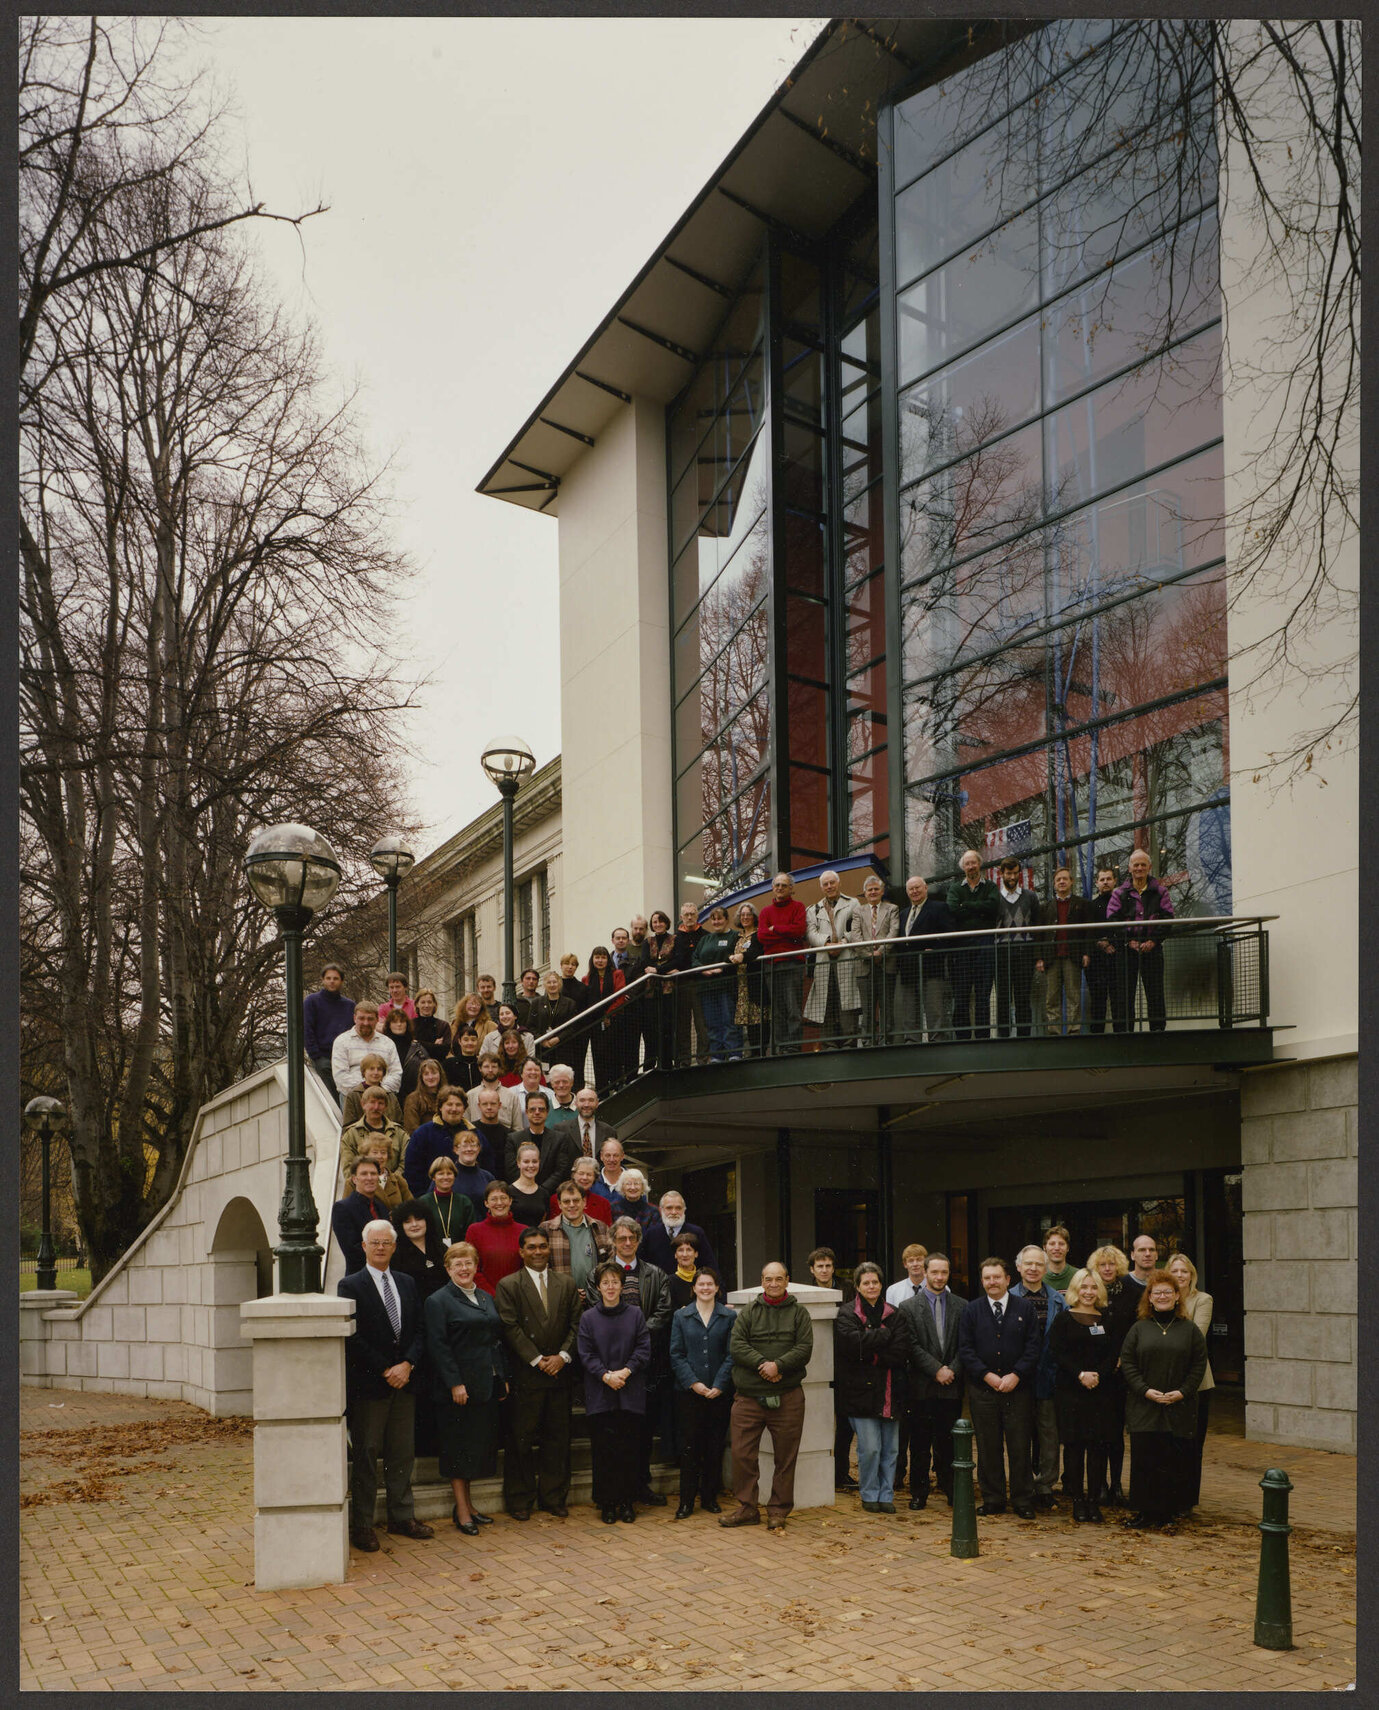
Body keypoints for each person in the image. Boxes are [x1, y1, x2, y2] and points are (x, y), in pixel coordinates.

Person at [338, 1219, 433, 1551]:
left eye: (386, 1243)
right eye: (374, 1242)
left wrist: (407, 1364)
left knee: (402, 1452)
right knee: (366, 1454)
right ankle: (362, 1523)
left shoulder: (407, 1283)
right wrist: (385, 1369)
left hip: (405, 1382)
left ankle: (401, 1516)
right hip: (371, 1386)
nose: (380, 1247)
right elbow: (355, 1337)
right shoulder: (350, 1285)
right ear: (364, 1247)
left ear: (394, 1247)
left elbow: (420, 1329)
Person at [494, 1225, 581, 1520]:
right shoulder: (509, 1285)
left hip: (560, 1375)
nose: (538, 1252)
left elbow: (577, 1325)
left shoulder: (566, 1284)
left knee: (558, 1439)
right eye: (531, 1247)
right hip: (526, 1376)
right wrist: (537, 1359)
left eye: (543, 1246)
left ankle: (553, 1497)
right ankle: (520, 1500)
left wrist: (563, 1356)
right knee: (521, 1439)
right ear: (521, 1252)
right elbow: (510, 1327)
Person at [586, 1216, 672, 1506]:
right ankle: (614, 1496)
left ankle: (639, 1487)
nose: (626, 1243)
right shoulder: (597, 1273)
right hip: (607, 1366)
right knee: (611, 1439)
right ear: (613, 1240)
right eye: (621, 1238)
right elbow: (594, 1309)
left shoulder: (655, 1274)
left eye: (631, 1238)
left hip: (641, 1365)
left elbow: (663, 1309)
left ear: (638, 1241)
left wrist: (636, 1333)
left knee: (640, 1433)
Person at [722, 1262, 814, 1531]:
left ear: (787, 1280)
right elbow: (737, 1346)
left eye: (779, 1279)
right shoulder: (748, 1312)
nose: (773, 1284)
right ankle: (747, 1508)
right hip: (748, 1397)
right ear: (761, 1281)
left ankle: (778, 1509)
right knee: (742, 1454)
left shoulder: (799, 1314)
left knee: (785, 1457)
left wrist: (779, 1367)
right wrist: (764, 1364)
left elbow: (804, 1348)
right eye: (768, 1279)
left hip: (787, 1396)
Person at [425, 1241, 507, 1534]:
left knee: (473, 1447)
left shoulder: (485, 1297)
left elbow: (494, 1340)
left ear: (476, 1266)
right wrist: (455, 1383)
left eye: (469, 1263)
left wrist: (502, 1376)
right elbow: (438, 1347)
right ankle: (461, 1511)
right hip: (457, 1390)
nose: (464, 1268)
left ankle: (469, 1505)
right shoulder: (438, 1301)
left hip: (484, 1385)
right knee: (457, 1448)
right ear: (448, 1269)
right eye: (457, 1264)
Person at [1119, 1269, 1208, 1528]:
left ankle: (1167, 1514)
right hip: (1144, 1405)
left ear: (1177, 1296)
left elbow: (1198, 1365)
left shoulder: (1190, 1330)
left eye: (1167, 1292)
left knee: (1171, 1461)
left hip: (1178, 1406)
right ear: (1149, 1297)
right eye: (1156, 1292)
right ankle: (1145, 1513)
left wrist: (1182, 1392)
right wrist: (1144, 1390)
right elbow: (1128, 1363)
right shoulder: (1138, 1329)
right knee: (1145, 1459)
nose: (1162, 1296)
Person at [958, 1255, 1041, 1518]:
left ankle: (1023, 1500)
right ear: (982, 1282)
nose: (992, 1282)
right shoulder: (971, 1310)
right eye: (987, 1278)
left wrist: (1016, 1375)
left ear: (1008, 1279)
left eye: (997, 1277)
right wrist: (987, 1376)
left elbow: (1033, 1347)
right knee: (987, 1447)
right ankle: (993, 1499)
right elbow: (966, 1350)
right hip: (983, 1391)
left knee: (1019, 1447)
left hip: (1018, 1390)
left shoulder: (1025, 1309)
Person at [578, 1260, 653, 1524]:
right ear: (598, 1287)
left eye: (615, 1282)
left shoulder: (635, 1314)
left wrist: (625, 1372)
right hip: (601, 1393)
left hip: (629, 1391)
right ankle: (607, 1503)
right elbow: (585, 1354)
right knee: (604, 1451)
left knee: (629, 1450)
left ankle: (626, 1502)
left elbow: (643, 1348)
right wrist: (606, 1375)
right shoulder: (588, 1318)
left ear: (622, 1286)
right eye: (605, 1282)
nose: (610, 1287)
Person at [834, 1260, 908, 1514]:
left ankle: (886, 1495)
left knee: (891, 1449)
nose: (871, 1286)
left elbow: (899, 1352)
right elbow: (851, 1347)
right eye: (866, 1282)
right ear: (857, 1286)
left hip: (891, 1391)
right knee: (870, 1448)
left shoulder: (895, 1313)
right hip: (860, 1393)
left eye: (875, 1282)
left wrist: (870, 1349)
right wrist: (883, 1337)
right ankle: (869, 1493)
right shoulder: (846, 1314)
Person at [1048, 1266, 1118, 1523]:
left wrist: (1097, 1375)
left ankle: (1093, 1501)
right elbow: (1057, 1352)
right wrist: (1080, 1374)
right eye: (1083, 1287)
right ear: (1075, 1290)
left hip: (1101, 1392)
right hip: (1071, 1392)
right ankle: (1077, 1500)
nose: (1088, 1292)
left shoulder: (1107, 1318)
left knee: (1098, 1447)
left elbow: (1113, 1354)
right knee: (1075, 1447)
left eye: (1093, 1287)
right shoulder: (1064, 1319)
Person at [897, 1251, 965, 1508]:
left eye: (944, 1272)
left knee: (948, 1443)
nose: (939, 1277)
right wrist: (936, 1369)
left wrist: (952, 1370)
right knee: (920, 1443)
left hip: (951, 1386)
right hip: (921, 1386)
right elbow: (911, 1346)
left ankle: (951, 1490)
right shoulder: (908, 1308)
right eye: (934, 1272)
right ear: (924, 1273)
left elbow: (965, 1345)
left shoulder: (962, 1305)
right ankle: (919, 1492)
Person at [669, 1266, 736, 1519]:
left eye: (710, 1284)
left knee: (714, 1446)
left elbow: (732, 1355)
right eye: (701, 1284)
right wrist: (694, 1383)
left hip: (719, 1394)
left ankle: (709, 1497)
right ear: (694, 1288)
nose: (706, 1288)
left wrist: (719, 1385)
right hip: (689, 1394)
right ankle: (686, 1501)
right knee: (690, 1448)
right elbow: (676, 1355)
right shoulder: (681, 1316)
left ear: (717, 1288)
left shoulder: (729, 1317)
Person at [1009, 1244, 1068, 1509]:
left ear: (1046, 1269)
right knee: (1018, 1435)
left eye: (1038, 1264)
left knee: (1048, 1436)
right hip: (1017, 1379)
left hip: (1048, 1377)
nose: (1033, 1269)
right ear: (1018, 1267)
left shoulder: (1058, 1300)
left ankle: (1045, 1487)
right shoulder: (1007, 1298)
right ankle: (1022, 1485)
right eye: (1028, 1264)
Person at [1089, 1244, 1137, 1505]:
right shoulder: (1091, 1293)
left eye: (1111, 1264)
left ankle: (1117, 1483)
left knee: (1116, 1433)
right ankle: (1100, 1484)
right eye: (1102, 1265)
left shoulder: (1130, 1293)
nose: (1107, 1269)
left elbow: (1134, 1330)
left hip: (1120, 1372)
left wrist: (1122, 1358)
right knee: (1098, 1432)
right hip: (1096, 1372)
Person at [1105, 849, 1175, 1031]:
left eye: (1143, 864)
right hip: (1126, 950)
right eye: (1136, 865)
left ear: (1149, 867)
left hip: (1152, 949)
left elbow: (1168, 918)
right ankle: (1124, 1033)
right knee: (1124, 993)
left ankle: (1158, 1031)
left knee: (1155, 992)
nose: (1139, 868)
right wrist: (1128, 941)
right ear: (1129, 868)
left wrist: (1154, 941)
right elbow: (1112, 919)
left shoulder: (1160, 891)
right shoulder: (1119, 893)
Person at [1167, 1252, 1215, 1508]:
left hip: (1196, 1382)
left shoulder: (1203, 1300)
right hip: (1165, 1381)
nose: (1180, 1276)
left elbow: (1196, 1337)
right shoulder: (1161, 1298)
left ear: (1192, 1275)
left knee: (1192, 1442)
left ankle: (1187, 1500)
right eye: (1175, 1271)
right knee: (1169, 1442)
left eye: (1184, 1271)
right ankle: (1169, 1494)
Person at [808, 1246, 856, 1490]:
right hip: (816, 1362)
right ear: (812, 1270)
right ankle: (818, 1473)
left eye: (828, 1266)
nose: (824, 1270)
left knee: (844, 1422)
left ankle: (840, 1473)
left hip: (844, 1361)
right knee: (818, 1420)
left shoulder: (847, 1289)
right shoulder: (804, 1292)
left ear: (833, 1268)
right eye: (820, 1266)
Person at [804, 870, 864, 1045]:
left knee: (847, 1003)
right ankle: (828, 1044)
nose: (829, 886)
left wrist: (843, 942)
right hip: (824, 963)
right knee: (825, 1004)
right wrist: (827, 943)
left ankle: (849, 1043)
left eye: (832, 883)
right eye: (825, 884)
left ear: (838, 883)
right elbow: (810, 933)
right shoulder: (813, 909)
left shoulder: (853, 903)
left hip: (846, 959)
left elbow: (857, 927)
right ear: (821, 887)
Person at [946, 850, 1000, 1040]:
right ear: (963, 867)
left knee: (982, 994)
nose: (971, 867)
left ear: (979, 864)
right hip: (962, 945)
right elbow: (953, 909)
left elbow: (994, 907)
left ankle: (983, 1036)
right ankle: (962, 1037)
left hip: (985, 942)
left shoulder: (991, 886)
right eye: (967, 864)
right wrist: (980, 908)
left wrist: (966, 906)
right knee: (961, 993)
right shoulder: (955, 888)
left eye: (973, 863)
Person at [896, 875, 954, 1043]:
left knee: (934, 1005)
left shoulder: (939, 908)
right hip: (908, 967)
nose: (914, 891)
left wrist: (936, 950)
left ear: (925, 888)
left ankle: (936, 1039)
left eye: (917, 887)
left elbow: (950, 935)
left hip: (931, 966)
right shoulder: (903, 914)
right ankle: (911, 1040)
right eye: (911, 889)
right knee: (909, 1007)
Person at [1035, 867, 1092, 1035]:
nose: (1061, 882)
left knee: (1074, 996)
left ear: (1071, 882)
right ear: (1054, 884)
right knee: (1051, 997)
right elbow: (1038, 934)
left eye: (1065, 879)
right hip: (1051, 958)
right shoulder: (1045, 908)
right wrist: (1039, 957)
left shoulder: (1082, 905)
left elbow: (1088, 932)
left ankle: (1074, 1031)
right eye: (1058, 879)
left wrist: (1086, 953)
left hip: (1072, 957)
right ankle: (1054, 1032)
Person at [757, 874, 808, 1053]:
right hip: (772, 965)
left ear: (791, 889)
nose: (780, 888)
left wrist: (776, 929)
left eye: (784, 885)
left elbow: (799, 930)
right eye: (777, 885)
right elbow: (762, 936)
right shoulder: (765, 912)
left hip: (793, 963)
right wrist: (786, 933)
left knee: (793, 1007)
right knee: (777, 1010)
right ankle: (780, 1046)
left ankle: (793, 1047)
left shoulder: (798, 907)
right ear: (773, 888)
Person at [994, 855, 1039, 1038]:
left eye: (1015, 873)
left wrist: (1036, 955)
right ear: (1001, 874)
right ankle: (1003, 1038)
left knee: (1022, 997)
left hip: (1024, 953)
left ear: (1019, 873)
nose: (1012, 877)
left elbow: (1037, 926)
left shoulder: (1030, 896)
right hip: (1001, 953)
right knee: (1003, 999)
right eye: (1008, 874)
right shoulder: (994, 898)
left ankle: (1024, 1037)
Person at [540, 1180, 614, 1291]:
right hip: (561, 1299)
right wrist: (569, 1292)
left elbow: (611, 1262)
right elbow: (541, 1267)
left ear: (584, 1202)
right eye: (566, 1201)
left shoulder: (600, 1228)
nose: (571, 1205)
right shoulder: (546, 1229)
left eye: (576, 1200)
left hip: (595, 1298)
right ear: (559, 1204)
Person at [403, 1087, 477, 1197]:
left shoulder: (475, 1134)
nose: (454, 1108)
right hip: (432, 1199)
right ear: (440, 1107)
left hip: (469, 1198)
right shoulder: (423, 1134)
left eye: (458, 1105)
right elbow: (412, 1171)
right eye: (449, 1104)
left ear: (464, 1109)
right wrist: (422, 1199)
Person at [692, 904, 743, 1061]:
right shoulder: (705, 939)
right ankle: (717, 1055)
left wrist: (722, 968)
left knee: (729, 1020)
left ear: (726, 920)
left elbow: (736, 956)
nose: (716, 922)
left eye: (719, 918)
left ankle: (734, 1053)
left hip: (727, 986)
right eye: (713, 919)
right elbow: (694, 958)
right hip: (707, 988)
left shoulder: (735, 936)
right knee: (712, 1022)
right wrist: (703, 969)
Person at [856, 873, 900, 1042]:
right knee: (867, 1008)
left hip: (886, 964)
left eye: (876, 889)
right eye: (869, 890)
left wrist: (880, 952)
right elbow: (855, 937)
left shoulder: (892, 909)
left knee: (886, 1006)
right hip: (864, 966)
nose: (873, 892)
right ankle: (867, 1041)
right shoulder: (857, 911)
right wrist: (869, 955)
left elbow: (893, 932)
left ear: (882, 892)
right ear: (865, 893)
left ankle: (885, 1040)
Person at [1084, 864, 1127, 1034]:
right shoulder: (1090, 906)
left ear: (1115, 881)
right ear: (1097, 883)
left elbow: (1125, 927)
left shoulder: (1123, 903)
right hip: (1097, 961)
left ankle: (1121, 1034)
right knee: (1098, 1000)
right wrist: (1099, 943)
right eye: (1102, 879)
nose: (1106, 882)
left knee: (1119, 999)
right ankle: (1097, 1036)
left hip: (1117, 957)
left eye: (1109, 879)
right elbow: (1088, 931)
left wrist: (1112, 943)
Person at [305, 963, 355, 1102]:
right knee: (330, 1097)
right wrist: (316, 1055)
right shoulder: (312, 1001)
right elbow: (307, 1029)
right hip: (324, 1058)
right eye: (328, 978)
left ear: (342, 981)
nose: (332, 981)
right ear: (322, 980)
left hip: (346, 1059)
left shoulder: (349, 1005)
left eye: (335, 978)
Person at [332, 1002, 403, 1098]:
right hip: (353, 1097)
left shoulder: (388, 1044)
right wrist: (364, 1092)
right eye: (361, 1018)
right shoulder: (342, 1042)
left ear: (377, 1020)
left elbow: (396, 1074)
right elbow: (340, 1077)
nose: (366, 1023)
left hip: (383, 1096)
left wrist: (378, 1091)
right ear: (354, 1018)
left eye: (370, 1019)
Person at [580, 945, 626, 1091]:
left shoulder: (617, 974)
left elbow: (619, 996)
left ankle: (617, 1083)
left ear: (608, 959)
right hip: (595, 1023)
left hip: (614, 1019)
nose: (600, 960)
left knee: (615, 1053)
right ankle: (602, 1089)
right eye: (597, 957)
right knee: (598, 1055)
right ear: (592, 959)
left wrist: (608, 1015)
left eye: (603, 957)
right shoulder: (586, 979)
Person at [641, 1188, 719, 1274]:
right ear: (661, 1210)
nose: (674, 1212)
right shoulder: (651, 1234)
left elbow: (710, 1265)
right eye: (669, 1208)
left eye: (678, 1208)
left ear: (684, 1210)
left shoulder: (697, 1233)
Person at [465, 1179, 524, 1292]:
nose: (499, 1203)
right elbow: (472, 1268)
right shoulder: (474, 1231)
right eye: (494, 1199)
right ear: (486, 1203)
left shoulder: (523, 1231)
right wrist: (493, 1296)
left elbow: (526, 1268)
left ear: (510, 1201)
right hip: (485, 1298)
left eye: (503, 1198)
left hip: (517, 1296)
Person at [669, 902, 709, 1066]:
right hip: (682, 985)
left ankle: (703, 1058)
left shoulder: (706, 935)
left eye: (693, 914)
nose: (690, 917)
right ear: (681, 917)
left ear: (698, 915)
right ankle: (684, 1060)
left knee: (702, 1024)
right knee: (683, 1025)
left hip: (701, 984)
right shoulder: (674, 938)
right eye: (686, 914)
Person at [332, 1158, 387, 1275]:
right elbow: (352, 1250)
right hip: (360, 1278)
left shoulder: (381, 1207)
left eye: (373, 1174)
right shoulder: (342, 1208)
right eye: (364, 1174)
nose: (369, 1178)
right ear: (354, 1179)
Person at [340, 1088, 407, 1185]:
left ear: (386, 1106)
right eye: (372, 1102)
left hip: (394, 1189)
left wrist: (388, 1182)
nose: (376, 1107)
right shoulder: (350, 1135)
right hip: (363, 1191)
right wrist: (369, 1183)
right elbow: (348, 1169)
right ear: (363, 1104)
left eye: (380, 1103)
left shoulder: (399, 1133)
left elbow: (405, 1163)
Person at [389, 1200, 450, 1303]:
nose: (414, 1225)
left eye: (418, 1219)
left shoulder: (441, 1247)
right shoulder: (395, 1253)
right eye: (407, 1221)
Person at [725, 902, 765, 1058]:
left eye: (748, 914)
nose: (745, 917)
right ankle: (748, 1051)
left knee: (757, 1018)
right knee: (745, 1019)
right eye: (743, 915)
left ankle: (757, 1052)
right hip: (740, 985)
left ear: (754, 917)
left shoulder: (758, 933)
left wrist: (743, 956)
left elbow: (756, 950)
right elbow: (727, 953)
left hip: (754, 982)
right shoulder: (737, 936)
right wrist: (730, 957)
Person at [646, 909, 679, 1069]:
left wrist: (658, 970)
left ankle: (667, 1062)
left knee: (667, 1026)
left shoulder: (674, 939)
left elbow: (678, 960)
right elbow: (645, 962)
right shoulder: (648, 942)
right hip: (652, 992)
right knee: (652, 1029)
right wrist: (665, 968)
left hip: (669, 990)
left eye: (660, 921)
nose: (658, 924)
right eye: (654, 922)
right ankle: (651, 1065)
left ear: (666, 923)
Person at [420, 1156, 475, 1252]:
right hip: (431, 1254)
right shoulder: (423, 1202)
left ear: (454, 1176)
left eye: (449, 1173)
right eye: (441, 1174)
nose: (445, 1177)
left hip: (460, 1254)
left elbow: (471, 1233)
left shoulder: (464, 1202)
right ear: (433, 1177)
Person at [339, 1055, 405, 1130]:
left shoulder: (391, 1096)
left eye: (379, 1069)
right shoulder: (354, 1096)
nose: (376, 1072)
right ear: (364, 1072)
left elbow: (399, 1124)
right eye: (371, 1069)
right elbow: (347, 1126)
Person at [528, 973, 577, 1066]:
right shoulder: (536, 1002)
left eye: (554, 982)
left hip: (563, 1048)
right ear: (544, 985)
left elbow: (572, 1027)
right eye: (549, 982)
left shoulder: (570, 1003)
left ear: (559, 984)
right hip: (542, 1050)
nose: (552, 985)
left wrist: (558, 1039)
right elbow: (531, 1026)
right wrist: (541, 1040)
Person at [383, 1007, 430, 1102]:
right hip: (388, 1095)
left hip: (411, 1096)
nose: (399, 1024)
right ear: (389, 1025)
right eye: (395, 1022)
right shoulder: (383, 1046)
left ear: (407, 1024)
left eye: (402, 1021)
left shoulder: (417, 1048)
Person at [551, 1155, 613, 1225]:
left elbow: (607, 1232)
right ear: (573, 1175)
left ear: (594, 1178)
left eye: (589, 1174)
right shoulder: (556, 1200)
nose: (585, 1177)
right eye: (581, 1173)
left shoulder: (603, 1204)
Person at [465, 1053, 520, 1130]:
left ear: (499, 1068)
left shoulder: (511, 1096)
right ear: (480, 1068)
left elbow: (517, 1128)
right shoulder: (470, 1095)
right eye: (486, 1067)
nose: (490, 1070)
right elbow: (465, 1125)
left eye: (494, 1066)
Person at [508, 1139, 551, 1229]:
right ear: (518, 1163)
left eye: (534, 1161)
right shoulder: (509, 1192)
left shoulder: (544, 1193)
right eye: (526, 1162)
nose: (531, 1166)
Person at [360, 1135, 408, 1213]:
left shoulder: (398, 1180)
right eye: (375, 1152)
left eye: (383, 1152)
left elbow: (412, 1208)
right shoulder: (354, 1181)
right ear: (366, 1155)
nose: (379, 1156)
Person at [469, 1086, 511, 1173]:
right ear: (479, 1106)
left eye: (493, 1103)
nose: (489, 1107)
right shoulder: (470, 1132)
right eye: (485, 1104)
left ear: (499, 1105)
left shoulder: (509, 1134)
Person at [401, 1057, 448, 1135]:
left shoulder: (448, 1096)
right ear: (421, 1077)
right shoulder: (413, 1099)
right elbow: (411, 1128)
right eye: (426, 1074)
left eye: (434, 1073)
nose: (430, 1077)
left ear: (440, 1074)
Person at [451, 1128, 496, 1207]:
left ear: (478, 1149)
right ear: (456, 1149)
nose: (469, 1149)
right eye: (464, 1146)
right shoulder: (447, 1176)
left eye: (473, 1145)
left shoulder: (488, 1177)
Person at [412, 988, 451, 1062]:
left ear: (434, 1004)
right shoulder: (410, 1025)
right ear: (417, 1004)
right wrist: (434, 1046)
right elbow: (409, 1049)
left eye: (429, 1002)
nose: (426, 1005)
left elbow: (444, 1051)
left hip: (437, 1067)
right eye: (423, 1002)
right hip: (414, 1068)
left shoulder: (443, 1025)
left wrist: (417, 1042)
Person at [610, 1167, 654, 1231]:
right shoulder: (613, 1209)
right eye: (628, 1184)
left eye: (636, 1183)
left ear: (642, 1187)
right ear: (622, 1187)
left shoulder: (653, 1211)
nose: (633, 1187)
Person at [442, 1027, 483, 1094]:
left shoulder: (482, 1064)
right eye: (466, 1040)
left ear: (477, 1041)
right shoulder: (448, 1064)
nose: (470, 1043)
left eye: (473, 1040)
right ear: (459, 1041)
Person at [1042, 1225, 1076, 1296]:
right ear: (1044, 1247)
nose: (1057, 1248)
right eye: (1052, 1244)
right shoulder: (1037, 1275)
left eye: (1061, 1244)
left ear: (1068, 1248)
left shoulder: (1078, 1276)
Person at [510, 967, 542, 1031]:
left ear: (538, 982)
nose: (531, 981)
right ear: (522, 981)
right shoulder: (515, 1001)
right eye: (528, 978)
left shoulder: (543, 1001)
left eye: (534, 979)